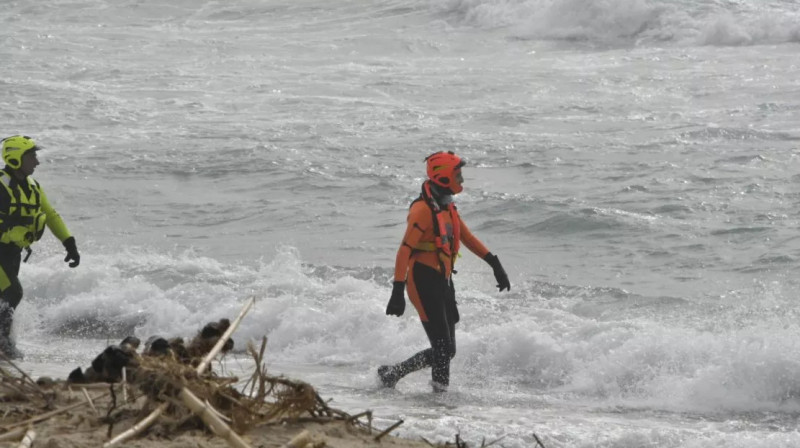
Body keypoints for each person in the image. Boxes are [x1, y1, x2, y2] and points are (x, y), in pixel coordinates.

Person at [379, 151, 511, 392]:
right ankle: (438, 397)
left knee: (447, 350)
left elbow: (468, 238)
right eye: (457, 175)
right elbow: (404, 251)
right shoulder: (422, 211)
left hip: (443, 281)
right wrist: (397, 291)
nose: (462, 181)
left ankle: (394, 373)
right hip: (422, 280)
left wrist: (495, 265)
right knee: (442, 348)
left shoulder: (446, 206)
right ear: (442, 178)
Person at [0, 135, 80, 359]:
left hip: (12, 253)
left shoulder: (33, 187)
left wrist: (69, 243)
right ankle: (3, 344)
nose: (36, 161)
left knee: (4, 296)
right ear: (15, 158)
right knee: (12, 293)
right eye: (31, 156)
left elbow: (51, 216)